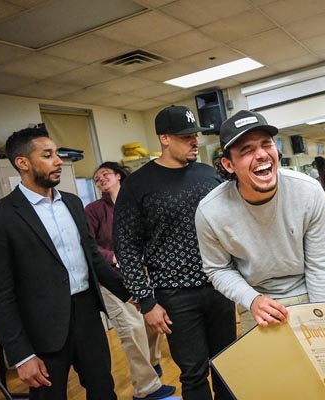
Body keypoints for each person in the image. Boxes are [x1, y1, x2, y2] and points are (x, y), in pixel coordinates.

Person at [0, 127, 130, 400]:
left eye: (57, 154)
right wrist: (21, 355)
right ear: (22, 163)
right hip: (41, 330)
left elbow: (93, 259)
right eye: (48, 155)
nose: (58, 161)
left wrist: (134, 294)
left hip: (87, 318)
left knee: (104, 391)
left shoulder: (72, 204)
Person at [114, 106, 236, 400]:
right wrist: (146, 302)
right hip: (175, 295)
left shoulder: (208, 175)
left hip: (219, 286)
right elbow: (126, 248)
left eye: (195, 135)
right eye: (185, 137)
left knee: (227, 366)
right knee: (194, 373)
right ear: (164, 138)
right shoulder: (138, 185)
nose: (194, 141)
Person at [195, 110, 325, 333]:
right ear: (229, 165)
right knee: (268, 369)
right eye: (247, 150)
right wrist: (252, 300)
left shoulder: (307, 191)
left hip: (308, 290)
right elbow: (218, 269)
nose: (261, 155)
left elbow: (319, 264)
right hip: (256, 301)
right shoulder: (211, 211)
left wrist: (321, 316)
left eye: (266, 144)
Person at [85, 162, 176, 400]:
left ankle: (152, 365)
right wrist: (113, 257)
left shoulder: (134, 202)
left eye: (104, 173)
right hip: (110, 281)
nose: (100, 178)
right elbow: (88, 243)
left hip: (142, 276)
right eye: (96, 178)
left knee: (151, 323)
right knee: (132, 329)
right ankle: (146, 389)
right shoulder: (94, 210)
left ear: (118, 176)